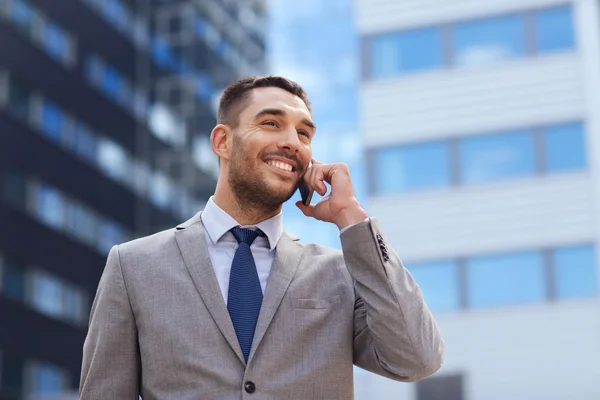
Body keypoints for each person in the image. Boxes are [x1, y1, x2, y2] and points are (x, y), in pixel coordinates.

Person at [79, 76, 444, 399]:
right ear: (222, 141)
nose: (292, 143)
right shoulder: (133, 266)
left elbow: (416, 359)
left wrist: (353, 220)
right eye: (271, 123)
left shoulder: (341, 273)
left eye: (304, 133)